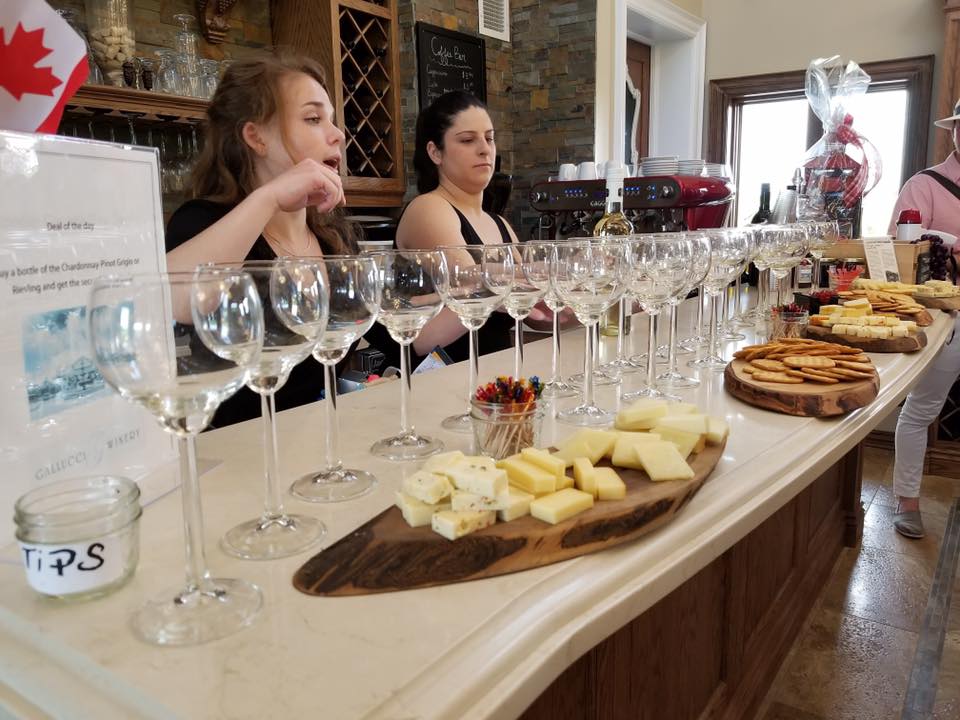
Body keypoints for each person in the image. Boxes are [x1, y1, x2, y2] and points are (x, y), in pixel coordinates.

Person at [165, 52, 394, 427]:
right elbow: (175, 302)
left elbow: (391, 330)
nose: (338, 135)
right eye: (313, 119)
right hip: (236, 449)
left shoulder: (333, 235)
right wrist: (269, 198)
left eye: (332, 120)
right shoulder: (202, 221)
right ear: (256, 137)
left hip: (319, 442)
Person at [396, 91, 555, 363]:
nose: (484, 149)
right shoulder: (428, 208)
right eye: (468, 140)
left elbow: (534, 310)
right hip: (439, 380)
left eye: (489, 138)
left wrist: (596, 299)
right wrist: (553, 269)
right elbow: (467, 278)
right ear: (435, 152)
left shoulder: (499, 223)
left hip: (495, 378)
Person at [889, 98, 960, 539]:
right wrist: (952, 243)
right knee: (922, 409)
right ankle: (907, 499)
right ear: (954, 131)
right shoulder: (926, 185)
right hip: (947, 316)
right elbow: (901, 244)